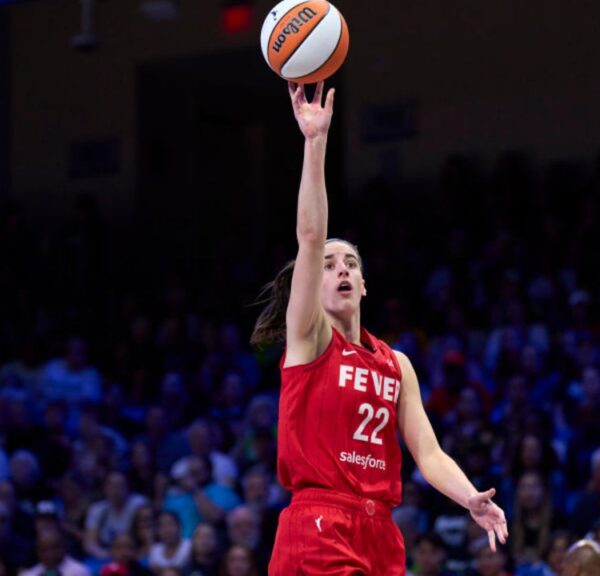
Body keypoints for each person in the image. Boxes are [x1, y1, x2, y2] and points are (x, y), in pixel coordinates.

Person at [250, 81, 506, 575]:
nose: (341, 269)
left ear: (364, 285)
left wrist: (470, 497)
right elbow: (310, 235)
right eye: (329, 265)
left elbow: (428, 454)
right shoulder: (309, 339)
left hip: (380, 533)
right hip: (319, 523)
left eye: (351, 263)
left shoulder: (396, 364)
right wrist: (315, 142)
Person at [18, 529, 90, 576]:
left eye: (54, 548)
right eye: (44, 550)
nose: (49, 554)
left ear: (63, 547)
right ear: (37, 551)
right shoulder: (29, 574)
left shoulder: (79, 572)